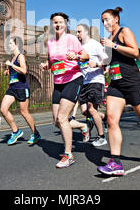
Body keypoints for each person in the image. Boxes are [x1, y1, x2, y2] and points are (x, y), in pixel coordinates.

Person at [96, 7, 140, 176]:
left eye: (107, 19)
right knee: (112, 120)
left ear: (116, 19)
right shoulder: (107, 39)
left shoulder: (124, 31)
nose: (104, 23)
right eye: (102, 21)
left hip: (132, 82)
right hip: (116, 84)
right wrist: (101, 63)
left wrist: (113, 45)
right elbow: (110, 61)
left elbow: (135, 53)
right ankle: (115, 162)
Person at [40, 12, 90, 168]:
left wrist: (76, 56)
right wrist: (46, 65)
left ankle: (68, 155)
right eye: (55, 22)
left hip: (73, 80)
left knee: (62, 118)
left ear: (66, 24)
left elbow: (86, 56)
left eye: (61, 22)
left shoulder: (72, 39)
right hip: (58, 82)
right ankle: (83, 126)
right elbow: (51, 60)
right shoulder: (50, 42)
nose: (58, 24)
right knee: (56, 121)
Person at [1, 36, 41, 145]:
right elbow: (15, 71)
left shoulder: (20, 57)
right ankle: (16, 131)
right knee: (3, 109)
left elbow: (24, 71)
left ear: (16, 45)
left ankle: (35, 133)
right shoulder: (13, 57)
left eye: (10, 43)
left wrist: (11, 65)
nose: (8, 46)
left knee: (24, 112)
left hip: (21, 87)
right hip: (12, 87)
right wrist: (8, 71)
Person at [76, 23, 108, 147]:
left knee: (91, 109)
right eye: (76, 32)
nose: (77, 34)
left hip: (96, 80)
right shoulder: (79, 47)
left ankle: (101, 137)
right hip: (84, 82)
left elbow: (107, 60)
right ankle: (103, 117)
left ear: (86, 32)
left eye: (79, 32)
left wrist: (96, 64)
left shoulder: (94, 44)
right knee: (84, 111)